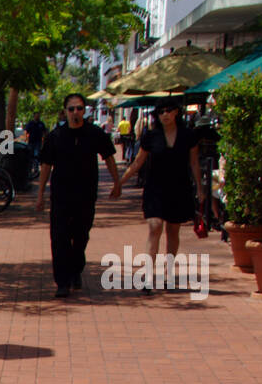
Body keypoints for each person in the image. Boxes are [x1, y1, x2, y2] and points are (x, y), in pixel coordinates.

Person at [35, 92, 122, 298]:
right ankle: (62, 282)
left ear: (85, 111)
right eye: (71, 109)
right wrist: (40, 194)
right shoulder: (55, 137)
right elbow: (46, 165)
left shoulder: (94, 133)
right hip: (61, 195)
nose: (75, 112)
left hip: (86, 194)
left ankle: (75, 268)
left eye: (79, 108)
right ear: (65, 112)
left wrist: (117, 182)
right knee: (59, 238)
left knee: (81, 235)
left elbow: (109, 157)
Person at [112, 102, 203, 293]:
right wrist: (120, 182)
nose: (165, 115)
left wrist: (200, 189)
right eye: (160, 112)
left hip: (179, 188)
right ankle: (148, 275)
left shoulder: (188, 136)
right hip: (155, 188)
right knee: (155, 227)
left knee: (173, 230)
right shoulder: (151, 137)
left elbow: (194, 163)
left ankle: (168, 273)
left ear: (176, 111)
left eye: (168, 110)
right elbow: (137, 162)